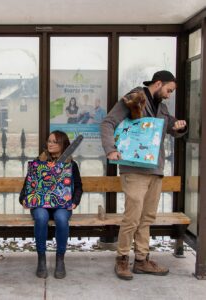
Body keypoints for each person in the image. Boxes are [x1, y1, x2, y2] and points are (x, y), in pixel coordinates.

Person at [100, 70, 187, 280]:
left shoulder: (162, 108)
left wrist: (179, 126)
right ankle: (122, 260)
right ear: (158, 83)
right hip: (134, 169)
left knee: (147, 218)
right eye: (168, 90)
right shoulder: (134, 99)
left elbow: (172, 130)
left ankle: (141, 260)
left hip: (155, 170)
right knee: (132, 217)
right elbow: (107, 123)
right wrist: (111, 149)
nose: (169, 95)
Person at [19, 130, 83, 279]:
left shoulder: (70, 165)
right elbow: (28, 184)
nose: (51, 144)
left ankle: (60, 259)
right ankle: (41, 259)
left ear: (63, 145)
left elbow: (78, 186)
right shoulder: (38, 162)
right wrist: (23, 199)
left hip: (62, 205)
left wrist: (74, 202)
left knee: (61, 219)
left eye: (55, 141)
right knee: (41, 217)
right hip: (41, 204)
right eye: (49, 141)